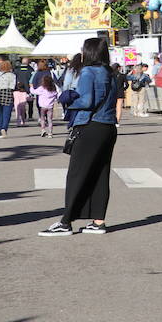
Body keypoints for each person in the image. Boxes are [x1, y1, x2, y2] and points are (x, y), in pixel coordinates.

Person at [41, 37, 119, 236]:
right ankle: (98, 221)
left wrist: (68, 100)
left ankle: (66, 222)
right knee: (101, 174)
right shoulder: (110, 72)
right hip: (108, 126)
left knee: (77, 174)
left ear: (89, 52)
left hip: (89, 125)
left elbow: (87, 101)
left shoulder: (88, 71)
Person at [0, 60, 17, 137]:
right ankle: (4, 128)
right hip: (7, 93)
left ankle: (0, 131)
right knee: (7, 114)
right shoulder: (12, 75)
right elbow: (13, 86)